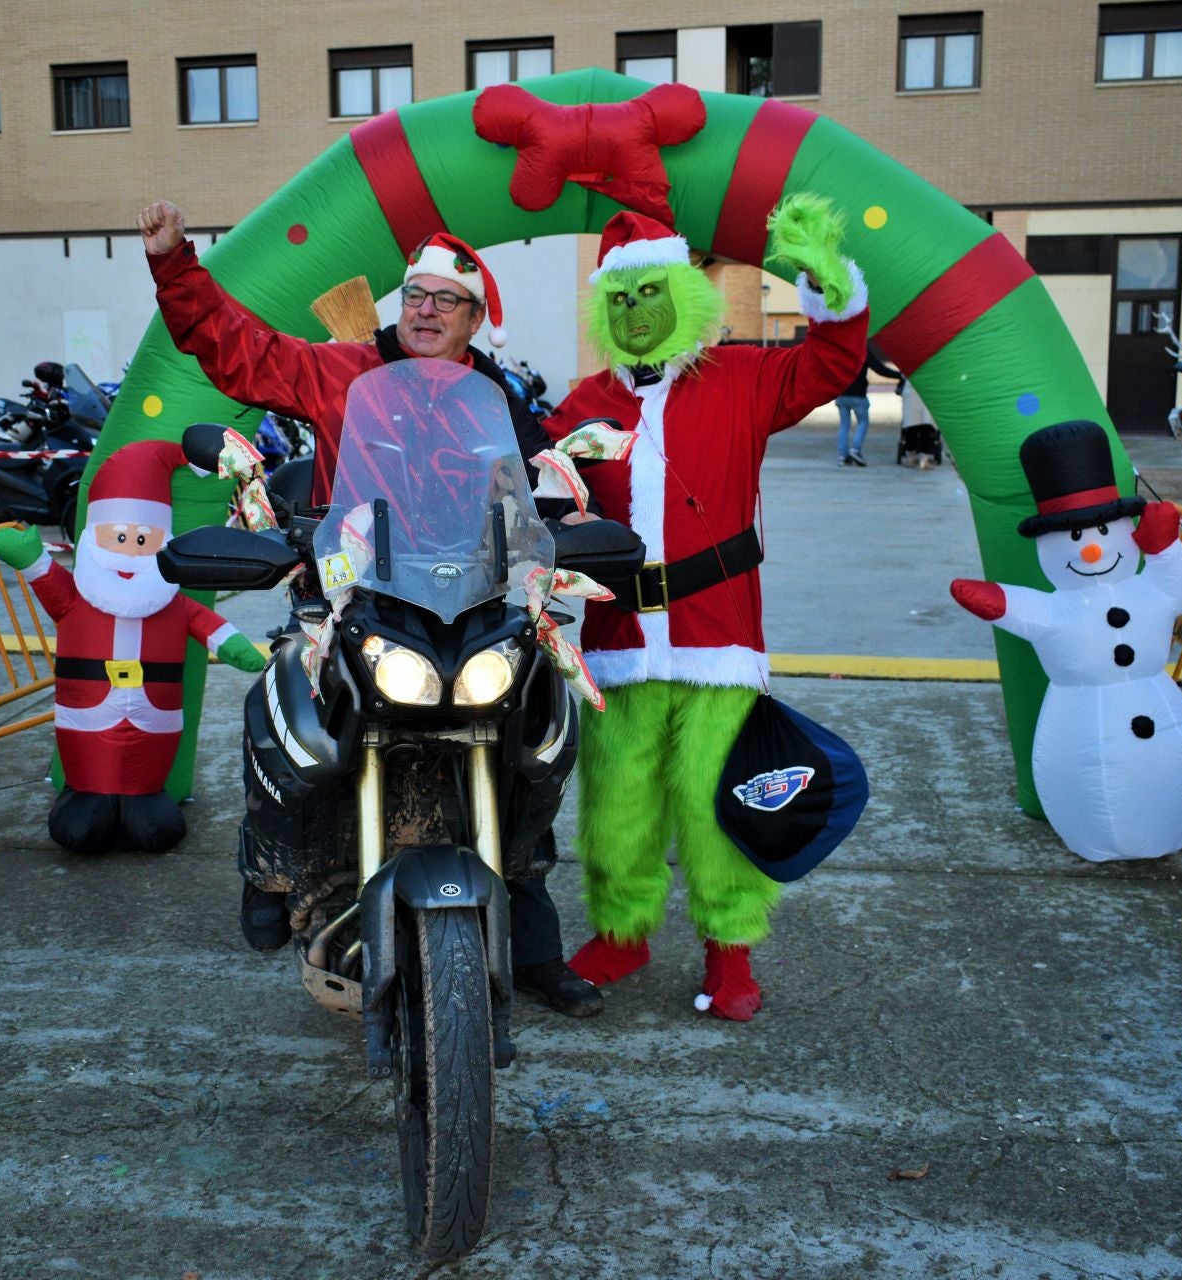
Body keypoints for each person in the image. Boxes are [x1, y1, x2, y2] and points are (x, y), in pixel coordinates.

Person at [137, 200, 601, 1017]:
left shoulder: (492, 392)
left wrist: (569, 523)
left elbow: (531, 485)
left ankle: (532, 950)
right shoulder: (340, 369)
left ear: (474, 318)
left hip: (468, 601)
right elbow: (239, 352)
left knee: (535, 732)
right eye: (414, 295)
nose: (424, 310)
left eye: (444, 300)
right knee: (281, 706)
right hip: (350, 596)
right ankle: (270, 866)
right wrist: (177, 266)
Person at [542, 198, 870, 1022]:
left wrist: (826, 283)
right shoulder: (581, 403)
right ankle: (622, 934)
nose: (635, 313)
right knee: (616, 804)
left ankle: (731, 951)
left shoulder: (745, 379)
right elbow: (538, 505)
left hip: (719, 638)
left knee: (718, 800)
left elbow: (830, 364)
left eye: (649, 292)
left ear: (684, 292)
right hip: (616, 644)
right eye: (619, 300)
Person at [0, 440, 268, 853]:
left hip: (154, 718)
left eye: (143, 540)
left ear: (163, 541)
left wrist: (235, 646)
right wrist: (30, 558)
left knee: (152, 817)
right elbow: (46, 577)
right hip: (86, 718)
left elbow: (207, 624)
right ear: (93, 537)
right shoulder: (76, 597)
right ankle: (87, 795)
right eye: (118, 536)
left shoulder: (171, 602)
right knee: (82, 820)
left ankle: (145, 798)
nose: (129, 550)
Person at [832, 344, 900, 467]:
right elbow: (879, 369)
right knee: (863, 422)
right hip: (858, 394)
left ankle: (842, 456)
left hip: (841, 393)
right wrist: (899, 375)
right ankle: (855, 450)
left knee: (844, 425)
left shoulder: (840, 348)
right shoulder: (861, 348)